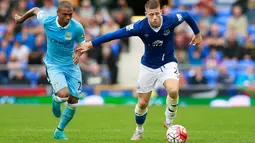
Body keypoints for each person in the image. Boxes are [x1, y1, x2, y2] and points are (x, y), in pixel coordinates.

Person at [77, 0, 202, 140]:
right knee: (142, 103)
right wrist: (91, 43)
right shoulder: (140, 26)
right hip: (148, 66)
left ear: (161, 11)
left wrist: (197, 33)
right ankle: (139, 130)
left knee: (173, 90)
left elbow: (186, 15)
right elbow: (115, 34)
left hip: (168, 62)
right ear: (146, 14)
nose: (154, 17)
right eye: (151, 15)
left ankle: (169, 120)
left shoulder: (170, 20)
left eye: (156, 14)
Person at [14, 1, 86, 140]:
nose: (68, 18)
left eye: (70, 15)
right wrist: (22, 19)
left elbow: (83, 45)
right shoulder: (48, 21)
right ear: (58, 13)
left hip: (71, 66)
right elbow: (35, 9)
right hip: (54, 65)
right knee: (63, 95)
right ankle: (56, 99)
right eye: (65, 14)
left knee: (74, 100)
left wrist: (78, 54)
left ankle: (59, 131)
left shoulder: (76, 27)